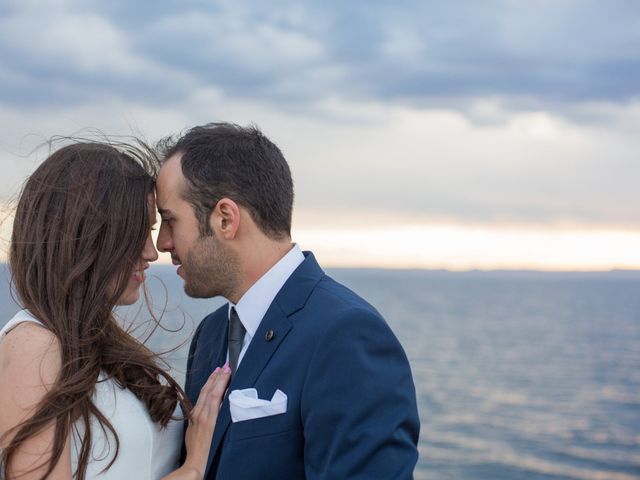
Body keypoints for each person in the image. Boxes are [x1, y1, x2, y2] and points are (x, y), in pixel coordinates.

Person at [155, 123, 420, 479]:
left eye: (170, 221)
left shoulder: (346, 335)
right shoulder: (211, 332)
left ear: (225, 219)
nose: (163, 243)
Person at [0, 142, 231, 480]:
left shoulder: (93, 343)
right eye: (136, 232)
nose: (151, 253)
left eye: (150, 231)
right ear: (88, 236)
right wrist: (192, 468)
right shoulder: (34, 344)